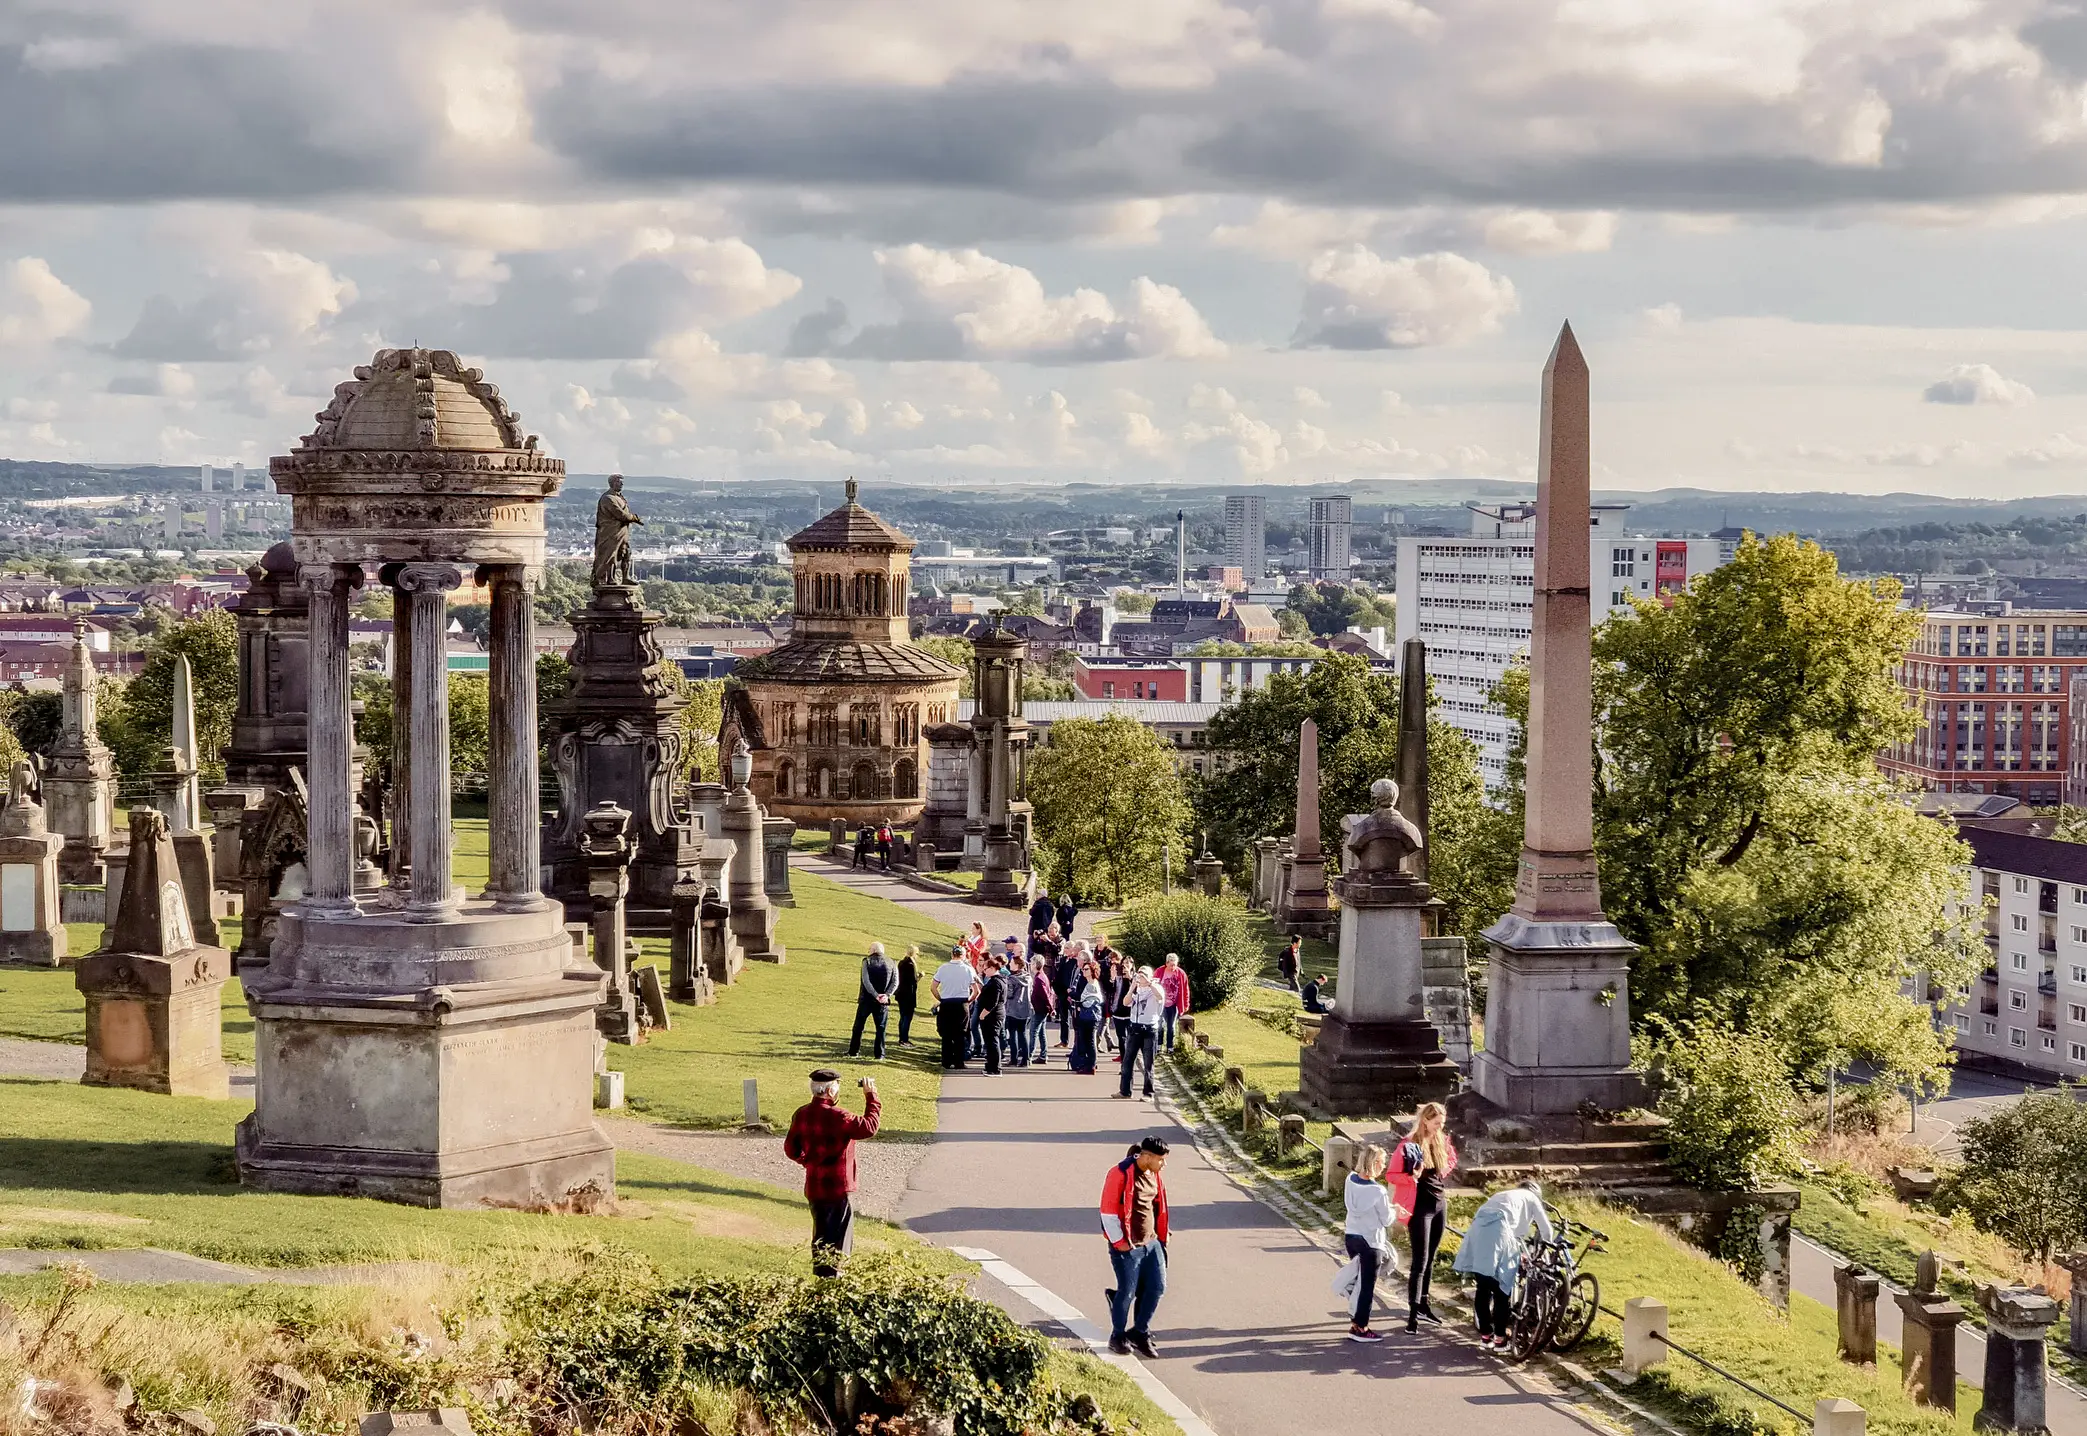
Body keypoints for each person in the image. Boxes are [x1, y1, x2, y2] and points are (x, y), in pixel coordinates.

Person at [783, 1069, 880, 1277]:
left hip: (814, 1187)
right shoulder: (840, 1116)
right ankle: (834, 1282)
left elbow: (791, 1149)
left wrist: (807, 1161)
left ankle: (821, 1278)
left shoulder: (802, 1114)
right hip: (837, 1188)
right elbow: (869, 1127)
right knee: (839, 1241)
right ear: (831, 1090)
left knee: (820, 1236)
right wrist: (871, 1096)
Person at [1453, 1179, 1553, 1349]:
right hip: (1499, 1234)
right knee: (1501, 1290)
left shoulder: (1503, 1195)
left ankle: (1485, 1335)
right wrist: (1546, 1250)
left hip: (1478, 1231)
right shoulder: (1532, 1199)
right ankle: (1499, 1338)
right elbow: (1546, 1230)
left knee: (1483, 1287)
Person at [1098, 1137, 1171, 1358]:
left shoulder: (1154, 1174)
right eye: (1161, 1160)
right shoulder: (1119, 1173)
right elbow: (1108, 1212)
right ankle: (1117, 1336)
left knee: (1157, 1288)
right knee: (1127, 1292)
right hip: (1127, 1246)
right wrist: (1120, 1243)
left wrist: (1162, 1232)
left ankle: (1139, 1332)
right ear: (1147, 1157)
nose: (1163, 1164)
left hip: (1151, 1242)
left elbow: (1158, 1204)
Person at [1394, 1101, 1457, 1331]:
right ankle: (1412, 1314)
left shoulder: (1442, 1140)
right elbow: (1392, 1174)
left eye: (1443, 1123)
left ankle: (1424, 1304)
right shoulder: (1409, 1144)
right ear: (1425, 1121)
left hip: (1440, 1204)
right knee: (1419, 1261)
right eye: (1437, 1123)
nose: (1440, 1127)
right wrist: (1412, 1177)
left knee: (1430, 1258)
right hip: (1420, 1207)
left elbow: (1451, 1160)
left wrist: (1443, 1170)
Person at [1342, 1144, 1393, 1342]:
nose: (1384, 1166)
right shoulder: (1378, 1191)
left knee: (1359, 1282)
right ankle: (1361, 1328)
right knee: (1367, 1287)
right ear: (1374, 1163)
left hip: (1352, 1236)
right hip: (1371, 1241)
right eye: (1382, 1162)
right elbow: (1387, 1219)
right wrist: (1396, 1210)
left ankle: (1356, 1321)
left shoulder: (1350, 1180)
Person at [1116, 966, 1164, 1100]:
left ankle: (1148, 1093)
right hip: (1134, 1027)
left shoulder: (1156, 987)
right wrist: (1132, 988)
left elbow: (1160, 998)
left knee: (1148, 1063)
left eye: (1143, 974)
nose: (1140, 976)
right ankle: (1125, 1091)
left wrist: (1149, 984)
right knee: (1127, 1060)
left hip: (1149, 1028)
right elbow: (1125, 1002)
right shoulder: (1137, 989)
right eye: (1139, 974)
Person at [848, 941, 899, 1060]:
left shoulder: (867, 961)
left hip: (866, 1000)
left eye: (870, 949)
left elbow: (866, 981)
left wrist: (876, 995)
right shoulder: (892, 962)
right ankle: (880, 1054)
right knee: (881, 1028)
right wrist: (886, 995)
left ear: (874, 950)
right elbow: (895, 982)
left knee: (858, 1027)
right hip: (883, 1002)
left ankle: (853, 1051)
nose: (868, 951)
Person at [931, 944, 978, 1070]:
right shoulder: (968, 969)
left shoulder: (943, 968)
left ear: (952, 955)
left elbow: (933, 987)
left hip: (946, 1003)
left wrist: (940, 999)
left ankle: (946, 1061)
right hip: (961, 1003)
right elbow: (976, 990)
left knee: (946, 1034)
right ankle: (959, 1062)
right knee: (960, 1034)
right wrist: (969, 1000)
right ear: (963, 956)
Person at [1069, 958, 1103, 1073]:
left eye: (1086, 969)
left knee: (1089, 1041)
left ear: (1093, 970)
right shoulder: (1090, 983)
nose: (1084, 971)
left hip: (1090, 1016)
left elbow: (1088, 1002)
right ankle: (1089, 1064)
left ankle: (1091, 1065)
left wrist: (1080, 1005)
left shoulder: (1091, 985)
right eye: (1083, 969)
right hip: (1090, 1016)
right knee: (1088, 1041)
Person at [976, 954, 1007, 1076]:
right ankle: (990, 1065)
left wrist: (983, 1014)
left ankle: (995, 1068)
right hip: (993, 1015)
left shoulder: (996, 983)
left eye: (986, 968)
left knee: (992, 1041)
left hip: (992, 1016)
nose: (984, 971)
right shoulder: (996, 981)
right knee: (990, 1041)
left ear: (993, 968)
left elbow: (992, 1002)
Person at [1156, 952, 1192, 1050]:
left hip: (1173, 1004)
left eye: (1175, 965)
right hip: (1161, 1003)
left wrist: (1186, 1003)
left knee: (1171, 1026)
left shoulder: (1181, 973)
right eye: (1171, 965)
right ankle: (1159, 1045)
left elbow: (1185, 990)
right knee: (1160, 1025)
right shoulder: (1159, 971)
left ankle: (1170, 1047)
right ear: (1166, 963)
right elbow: (1153, 985)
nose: (1173, 967)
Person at [1004, 953, 1034, 1067]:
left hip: (1013, 1009)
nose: (1009, 964)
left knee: (1012, 1035)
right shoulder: (1028, 978)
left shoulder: (1012, 979)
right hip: (1025, 1009)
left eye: (1011, 963)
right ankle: (1026, 1059)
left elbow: (1010, 994)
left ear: (1017, 965)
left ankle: (1013, 1058)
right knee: (1022, 1034)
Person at [1027, 957, 1055, 1065]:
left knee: (1033, 1032)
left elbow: (1045, 995)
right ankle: (1043, 1055)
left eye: (1032, 963)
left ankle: (1029, 1056)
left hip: (1040, 1009)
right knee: (1041, 1033)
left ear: (1035, 965)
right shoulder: (1042, 976)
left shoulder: (1039, 979)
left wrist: (1051, 1008)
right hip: (1042, 1009)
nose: (1030, 965)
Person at [895, 944, 920, 1047]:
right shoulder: (911, 964)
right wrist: (920, 976)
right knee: (907, 1017)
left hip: (901, 993)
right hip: (908, 994)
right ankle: (904, 1039)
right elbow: (913, 981)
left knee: (902, 1016)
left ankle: (901, 1037)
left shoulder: (901, 963)